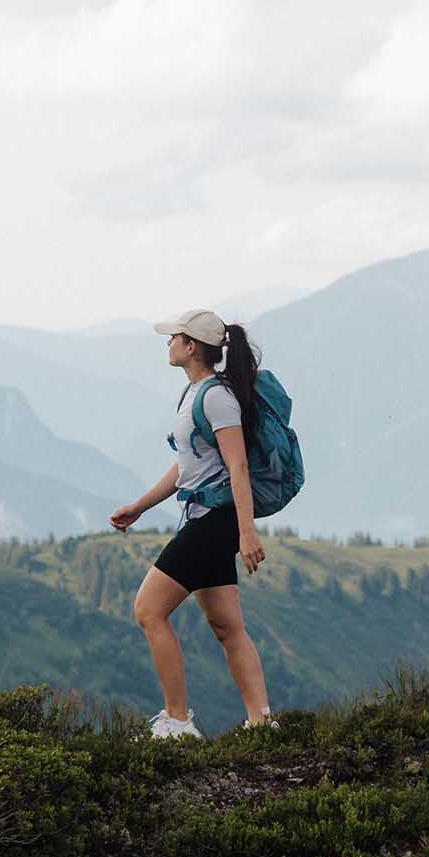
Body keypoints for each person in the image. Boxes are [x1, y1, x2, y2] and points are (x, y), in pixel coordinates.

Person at [108, 308, 275, 740]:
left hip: (215, 522)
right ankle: (261, 723)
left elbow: (238, 466)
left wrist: (246, 531)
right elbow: (187, 466)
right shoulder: (193, 394)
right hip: (205, 518)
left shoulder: (216, 398)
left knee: (148, 609)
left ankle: (178, 722)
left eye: (174, 337)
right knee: (227, 626)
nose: (168, 343)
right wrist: (140, 506)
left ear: (192, 346)